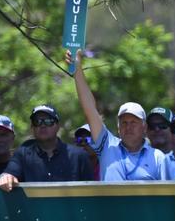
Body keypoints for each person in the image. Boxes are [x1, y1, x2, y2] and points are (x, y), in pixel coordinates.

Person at [67, 49, 167, 181]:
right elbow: (90, 109)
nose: (128, 127)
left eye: (134, 122)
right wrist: (77, 68)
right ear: (118, 128)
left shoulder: (158, 157)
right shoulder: (107, 146)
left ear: (144, 127)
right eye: (124, 122)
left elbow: (169, 195)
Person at [0, 105, 97, 190]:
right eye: (37, 122)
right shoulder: (22, 154)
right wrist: (6, 177)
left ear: (58, 126)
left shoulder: (79, 156)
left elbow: (90, 193)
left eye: (48, 121)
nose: (42, 125)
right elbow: (9, 173)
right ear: (32, 127)